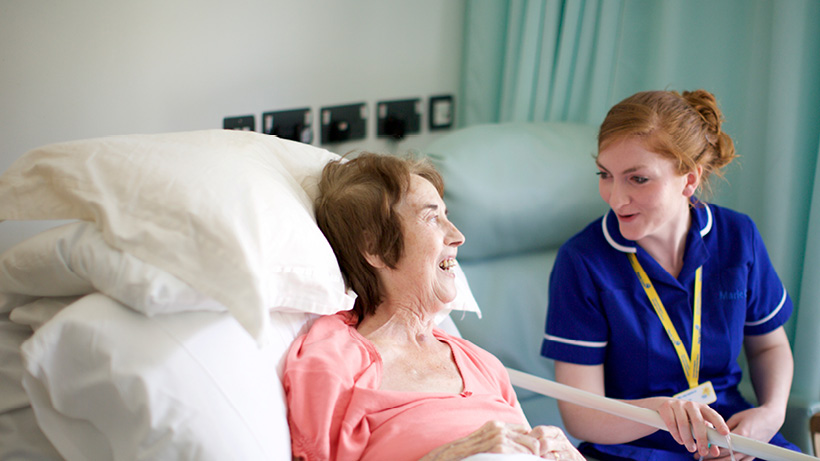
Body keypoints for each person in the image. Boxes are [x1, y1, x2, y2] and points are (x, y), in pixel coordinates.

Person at [541, 89, 800, 460]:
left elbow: (769, 346)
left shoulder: (738, 237)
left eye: (638, 179)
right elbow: (581, 415)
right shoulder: (582, 261)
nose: (616, 198)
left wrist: (771, 415)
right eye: (605, 175)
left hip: (730, 434)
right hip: (635, 446)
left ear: (689, 180)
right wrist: (660, 412)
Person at [284, 153, 584, 461]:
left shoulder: (482, 364)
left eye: (447, 216)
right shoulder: (333, 361)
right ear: (374, 247)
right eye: (431, 218)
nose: (458, 237)